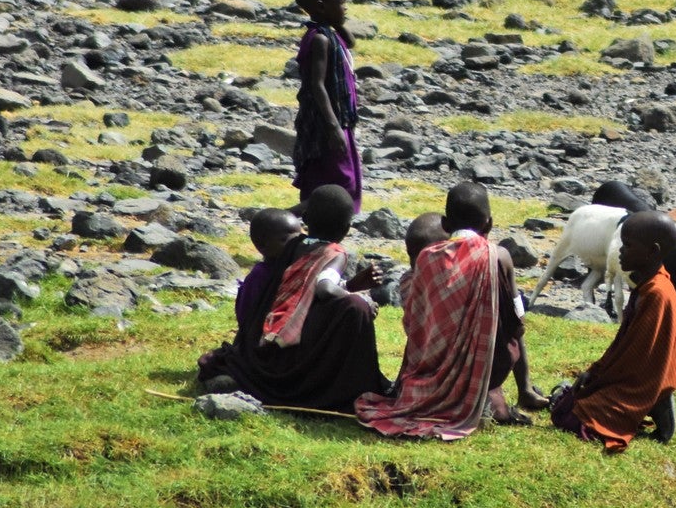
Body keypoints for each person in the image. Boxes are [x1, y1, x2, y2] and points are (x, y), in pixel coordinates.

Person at [357, 182, 546, 440]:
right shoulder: (498, 256)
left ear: (446, 225)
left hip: (427, 375)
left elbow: (415, 324)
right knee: (510, 323)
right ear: (489, 225)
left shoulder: (425, 258)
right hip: (484, 371)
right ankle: (518, 392)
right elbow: (518, 320)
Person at [199, 185, 387, 412]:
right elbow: (325, 290)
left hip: (268, 345)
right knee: (356, 307)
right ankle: (340, 387)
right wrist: (360, 298)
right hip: (299, 352)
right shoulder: (335, 253)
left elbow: (304, 290)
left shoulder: (293, 246)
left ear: (305, 218)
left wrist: (352, 285)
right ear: (347, 228)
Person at [550, 211, 676, 453]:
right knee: (572, 400)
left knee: (568, 416)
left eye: (627, 245)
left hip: (644, 382)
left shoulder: (657, 293)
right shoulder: (647, 284)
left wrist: (600, 377)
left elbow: (637, 358)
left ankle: (656, 400)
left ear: (652, 252)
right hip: (632, 374)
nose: (619, 250)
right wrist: (595, 371)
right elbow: (627, 344)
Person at [293, 0, 363, 207]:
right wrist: (333, 127)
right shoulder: (319, 39)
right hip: (327, 121)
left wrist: (337, 21)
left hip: (340, 118)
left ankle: (323, 218)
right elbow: (317, 85)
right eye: (342, 3)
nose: (346, 8)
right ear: (321, 7)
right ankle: (295, 215)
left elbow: (351, 42)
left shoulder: (332, 33)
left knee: (339, 177)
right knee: (340, 181)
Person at [233, 206, 303, 347]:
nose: (295, 244)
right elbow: (246, 313)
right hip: (260, 340)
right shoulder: (259, 276)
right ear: (263, 245)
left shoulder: (297, 269)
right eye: (285, 240)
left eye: (299, 238)